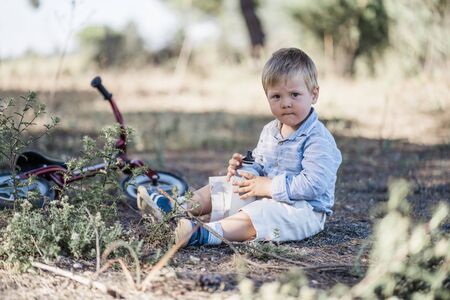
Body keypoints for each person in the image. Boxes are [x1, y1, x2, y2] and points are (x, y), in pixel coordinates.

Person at [138, 47, 342, 247]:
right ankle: (175, 206)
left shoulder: (318, 139)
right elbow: (260, 164)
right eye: (276, 97)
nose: (285, 103)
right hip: (268, 195)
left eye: (295, 95)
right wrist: (244, 170)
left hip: (304, 211)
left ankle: (205, 233)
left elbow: (314, 184)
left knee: (263, 214)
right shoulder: (271, 130)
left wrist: (269, 186)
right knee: (227, 185)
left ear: (313, 94)